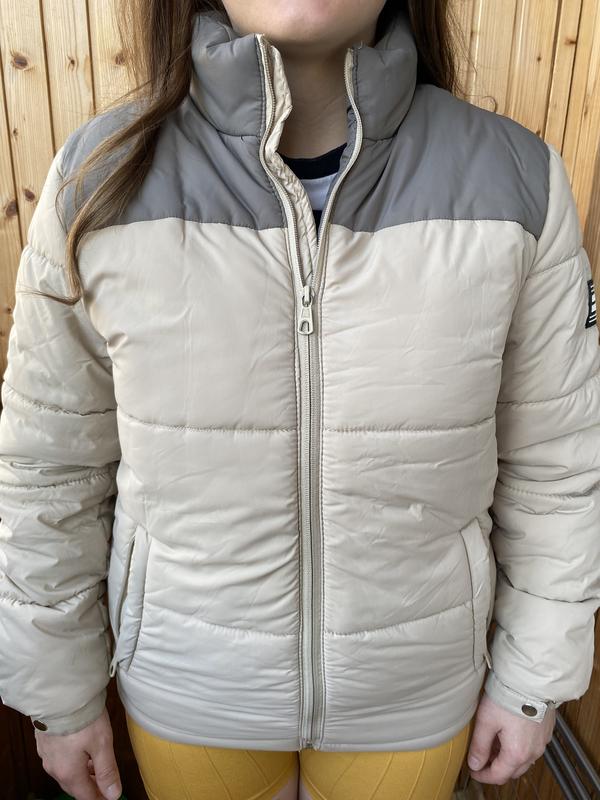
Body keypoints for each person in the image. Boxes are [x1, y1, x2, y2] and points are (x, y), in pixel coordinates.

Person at [0, 0, 599, 798]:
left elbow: (558, 464)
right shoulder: (99, 179)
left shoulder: (517, 181)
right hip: (190, 693)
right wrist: (58, 690)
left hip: (412, 699)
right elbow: (47, 470)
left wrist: (534, 675)